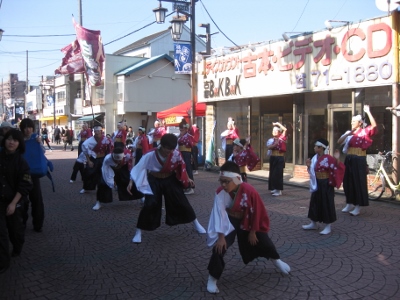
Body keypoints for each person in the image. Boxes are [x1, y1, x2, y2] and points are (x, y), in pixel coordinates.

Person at [206, 161, 290, 294]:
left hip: (247, 220)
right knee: (219, 247)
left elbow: (257, 211)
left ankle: (276, 260)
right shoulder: (220, 192)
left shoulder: (249, 191)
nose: (223, 185)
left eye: (227, 181)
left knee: (263, 240)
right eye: (221, 181)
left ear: (237, 179)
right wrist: (221, 237)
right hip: (229, 220)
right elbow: (219, 215)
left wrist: (253, 232)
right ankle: (212, 277)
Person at [127, 133, 206, 244]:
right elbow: (138, 168)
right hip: (154, 180)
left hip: (170, 179)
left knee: (181, 201)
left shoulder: (176, 154)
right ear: (162, 145)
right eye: (167, 148)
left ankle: (196, 223)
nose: (169, 151)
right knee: (150, 204)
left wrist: (188, 178)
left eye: (172, 149)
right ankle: (138, 231)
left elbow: (181, 166)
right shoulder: (150, 155)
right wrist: (131, 182)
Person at [0, 129, 33, 274]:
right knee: (1, 233)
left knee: (15, 231)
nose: (11, 142)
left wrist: (13, 203)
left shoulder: (22, 162)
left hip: (16, 200)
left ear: (19, 143)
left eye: (15, 140)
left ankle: (17, 246)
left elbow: (25, 185)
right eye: (8, 139)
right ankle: (3, 262)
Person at [337, 105, 377, 216]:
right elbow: (339, 141)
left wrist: (368, 112)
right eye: (351, 121)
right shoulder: (349, 133)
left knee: (358, 182)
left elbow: (374, 126)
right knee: (347, 181)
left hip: (359, 159)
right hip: (349, 158)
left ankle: (358, 206)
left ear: (360, 123)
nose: (352, 123)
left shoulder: (365, 132)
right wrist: (348, 134)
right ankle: (349, 202)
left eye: (354, 121)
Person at [302, 138, 345, 235]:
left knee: (326, 203)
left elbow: (339, 167)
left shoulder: (329, 158)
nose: (314, 148)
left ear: (321, 148)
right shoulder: (314, 158)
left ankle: (328, 226)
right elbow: (312, 171)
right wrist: (308, 166)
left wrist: (337, 159)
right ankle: (313, 223)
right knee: (314, 202)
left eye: (316, 147)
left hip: (325, 183)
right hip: (317, 183)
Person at [92, 145, 141, 210]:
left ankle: (141, 197)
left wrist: (131, 181)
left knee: (130, 181)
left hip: (123, 167)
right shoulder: (107, 159)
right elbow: (105, 172)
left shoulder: (128, 155)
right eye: (116, 160)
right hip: (110, 168)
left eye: (119, 160)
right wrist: (111, 182)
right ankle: (98, 202)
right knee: (102, 184)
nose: (118, 161)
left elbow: (132, 168)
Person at [19, 118, 45, 232]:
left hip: (34, 173)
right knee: (22, 199)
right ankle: (22, 222)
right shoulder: (18, 139)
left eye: (29, 127)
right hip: (21, 174)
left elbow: (42, 152)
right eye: (25, 127)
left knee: (37, 199)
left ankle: (38, 224)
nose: (27, 130)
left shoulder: (36, 138)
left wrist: (39, 144)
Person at [81, 125, 113, 196]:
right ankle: (86, 187)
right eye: (95, 131)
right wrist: (89, 161)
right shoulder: (89, 141)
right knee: (88, 172)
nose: (97, 132)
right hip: (93, 159)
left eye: (98, 131)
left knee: (103, 173)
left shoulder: (106, 139)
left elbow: (110, 149)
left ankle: (104, 188)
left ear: (101, 131)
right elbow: (85, 151)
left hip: (103, 159)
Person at [266, 122, 287, 196]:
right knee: (273, 173)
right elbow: (269, 147)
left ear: (279, 132)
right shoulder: (271, 140)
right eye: (273, 131)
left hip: (279, 157)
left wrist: (278, 124)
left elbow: (285, 129)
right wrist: (274, 145)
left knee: (278, 173)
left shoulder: (281, 138)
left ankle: (279, 190)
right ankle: (274, 188)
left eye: (276, 130)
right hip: (273, 157)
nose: (274, 132)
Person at [177, 119, 195, 195]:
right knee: (182, 168)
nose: (181, 131)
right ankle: (184, 186)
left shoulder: (188, 136)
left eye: (182, 130)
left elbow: (191, 144)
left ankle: (190, 187)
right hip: (181, 153)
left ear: (186, 129)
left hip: (186, 153)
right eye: (180, 130)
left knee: (187, 169)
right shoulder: (180, 136)